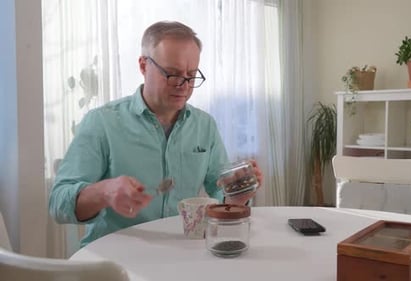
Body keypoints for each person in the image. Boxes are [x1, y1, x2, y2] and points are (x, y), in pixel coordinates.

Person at [49, 20, 263, 247]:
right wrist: (104, 191)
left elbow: (220, 198)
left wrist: (236, 198)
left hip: (180, 253)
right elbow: (58, 204)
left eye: (191, 75)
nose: (184, 85)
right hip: (114, 257)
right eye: (172, 74)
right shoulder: (102, 122)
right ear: (143, 65)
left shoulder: (205, 125)